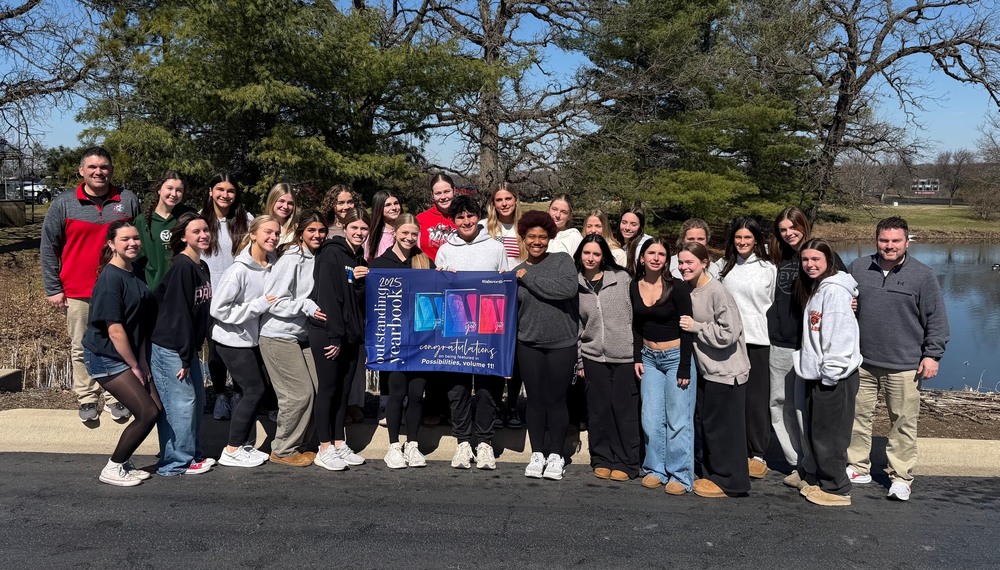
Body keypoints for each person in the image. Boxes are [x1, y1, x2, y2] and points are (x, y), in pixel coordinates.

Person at [847, 217, 949, 501]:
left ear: (907, 242)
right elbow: (840, 303)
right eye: (883, 240)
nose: (889, 246)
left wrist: (932, 355)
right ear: (876, 240)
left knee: (903, 422)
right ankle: (857, 467)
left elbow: (937, 320)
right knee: (857, 418)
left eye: (895, 241)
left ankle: (901, 477)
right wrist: (849, 302)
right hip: (862, 362)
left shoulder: (922, 275)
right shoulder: (857, 268)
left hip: (905, 365)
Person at [41, 147, 141, 423]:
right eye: (93, 167)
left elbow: (137, 242)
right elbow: (49, 247)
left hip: (119, 289)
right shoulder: (64, 203)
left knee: (119, 342)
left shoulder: (128, 200)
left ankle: (115, 397)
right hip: (77, 290)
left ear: (112, 170)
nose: (100, 172)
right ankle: (86, 397)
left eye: (105, 167)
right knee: (81, 346)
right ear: (82, 171)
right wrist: (53, 288)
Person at [767, 206, 846, 488]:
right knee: (780, 405)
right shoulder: (777, 259)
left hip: (809, 346)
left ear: (804, 225)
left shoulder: (822, 256)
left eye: (793, 228)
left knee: (803, 409)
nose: (788, 234)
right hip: (779, 343)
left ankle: (811, 465)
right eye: (783, 229)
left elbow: (844, 291)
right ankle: (796, 463)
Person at [435, 194, 509, 470]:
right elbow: (437, 290)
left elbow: (505, 286)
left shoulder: (494, 246)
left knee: (489, 388)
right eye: (460, 217)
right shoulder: (445, 250)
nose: (466, 221)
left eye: (470, 215)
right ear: (453, 221)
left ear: (478, 216)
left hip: (490, 327)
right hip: (456, 327)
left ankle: (486, 443)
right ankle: (463, 442)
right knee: (458, 389)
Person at [83, 220, 159, 486]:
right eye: (125, 239)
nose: (132, 243)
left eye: (136, 238)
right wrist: (134, 366)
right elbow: (115, 330)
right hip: (106, 357)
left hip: (127, 354)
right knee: (147, 412)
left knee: (155, 409)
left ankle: (124, 462)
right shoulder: (110, 279)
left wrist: (141, 359)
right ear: (111, 244)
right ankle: (112, 468)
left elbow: (137, 322)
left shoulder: (134, 270)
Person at [678, 242, 751, 498]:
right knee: (710, 426)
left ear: (704, 262)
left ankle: (731, 482)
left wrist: (697, 326)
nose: (684, 267)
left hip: (727, 371)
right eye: (681, 262)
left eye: (690, 262)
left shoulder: (717, 291)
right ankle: (714, 474)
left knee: (725, 429)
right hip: (707, 370)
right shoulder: (689, 289)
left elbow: (729, 333)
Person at [792, 239, 862, 507]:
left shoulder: (834, 292)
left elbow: (840, 336)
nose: (810, 265)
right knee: (817, 431)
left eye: (816, 260)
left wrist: (831, 373)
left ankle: (836, 488)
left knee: (830, 435)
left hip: (834, 376)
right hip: (817, 373)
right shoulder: (818, 288)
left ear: (829, 261)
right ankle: (821, 479)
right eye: (805, 260)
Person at [258, 211, 328, 467]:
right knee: (298, 394)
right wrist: (306, 306)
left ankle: (298, 444)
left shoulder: (318, 257)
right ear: (301, 232)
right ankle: (283, 449)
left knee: (319, 389)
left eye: (321, 231)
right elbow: (274, 301)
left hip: (301, 336)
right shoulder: (291, 259)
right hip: (277, 335)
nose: (317, 235)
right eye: (311, 231)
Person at [514, 210, 580, 480]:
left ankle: (556, 454)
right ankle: (537, 452)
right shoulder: (513, 272)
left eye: (542, 236)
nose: (537, 241)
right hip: (528, 342)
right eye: (532, 236)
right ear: (524, 238)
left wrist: (527, 278)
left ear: (550, 237)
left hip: (561, 342)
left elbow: (566, 289)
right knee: (535, 401)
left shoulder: (562, 261)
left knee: (556, 399)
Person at [209, 216, 280, 468]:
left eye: (276, 233)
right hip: (231, 340)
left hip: (252, 340)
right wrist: (258, 306)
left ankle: (245, 446)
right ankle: (231, 449)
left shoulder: (272, 264)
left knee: (247, 392)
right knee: (254, 390)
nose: (273, 237)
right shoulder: (238, 270)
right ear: (253, 235)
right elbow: (218, 309)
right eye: (267, 232)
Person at [149, 212, 215, 477]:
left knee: (196, 401)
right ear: (183, 236)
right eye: (196, 231)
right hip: (172, 347)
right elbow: (178, 316)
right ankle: (175, 462)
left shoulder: (201, 266)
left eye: (206, 230)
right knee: (180, 403)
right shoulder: (181, 267)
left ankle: (191, 454)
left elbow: (200, 313)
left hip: (187, 348)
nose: (203, 235)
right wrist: (185, 356)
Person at [631, 237, 696, 494]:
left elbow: (687, 328)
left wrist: (684, 366)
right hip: (649, 358)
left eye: (661, 254)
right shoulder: (634, 286)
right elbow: (636, 325)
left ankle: (680, 475)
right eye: (651, 253)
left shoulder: (677, 287)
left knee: (678, 419)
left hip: (676, 356)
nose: (656, 258)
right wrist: (637, 356)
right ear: (642, 258)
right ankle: (655, 468)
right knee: (650, 417)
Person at [370, 213, 434, 469]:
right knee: (396, 394)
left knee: (417, 395)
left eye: (414, 234)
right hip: (392, 338)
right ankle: (394, 445)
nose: (409, 238)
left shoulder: (424, 261)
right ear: (395, 232)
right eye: (404, 233)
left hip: (420, 339)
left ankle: (414, 445)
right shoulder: (378, 264)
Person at [309, 208, 370, 471]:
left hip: (349, 333)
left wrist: (357, 284)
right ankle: (323, 447)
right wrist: (334, 336)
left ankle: (337, 441)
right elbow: (329, 296)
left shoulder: (358, 256)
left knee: (344, 391)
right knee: (329, 389)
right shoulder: (331, 253)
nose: (359, 233)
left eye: (364, 229)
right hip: (329, 333)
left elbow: (353, 298)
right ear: (344, 228)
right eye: (354, 228)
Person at [575, 235, 640, 482]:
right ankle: (601, 458)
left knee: (624, 410)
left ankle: (627, 461)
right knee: (598, 410)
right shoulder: (576, 285)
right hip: (593, 357)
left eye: (596, 254)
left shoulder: (622, 279)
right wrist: (580, 360)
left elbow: (637, 316)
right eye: (586, 253)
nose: (591, 258)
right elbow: (577, 327)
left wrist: (637, 353)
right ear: (580, 254)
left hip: (624, 356)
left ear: (604, 256)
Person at [718, 217, 776, 480]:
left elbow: (773, 304)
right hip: (730, 341)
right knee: (734, 397)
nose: (742, 242)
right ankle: (736, 446)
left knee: (756, 400)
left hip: (758, 342)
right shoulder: (723, 267)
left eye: (747, 238)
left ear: (756, 240)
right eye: (738, 238)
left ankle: (758, 452)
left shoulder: (768, 268)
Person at [201, 172, 253, 421]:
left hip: (241, 297)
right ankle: (221, 394)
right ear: (211, 191)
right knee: (217, 350)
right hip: (210, 296)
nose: (225, 195)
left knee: (243, 348)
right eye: (219, 189)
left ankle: (239, 393)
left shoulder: (247, 220)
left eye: (230, 191)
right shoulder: (200, 220)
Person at [483, 183, 525, 428]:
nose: (504, 203)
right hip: (492, 297)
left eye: (508, 198)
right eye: (499, 200)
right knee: (495, 350)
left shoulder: (526, 226)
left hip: (519, 295)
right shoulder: (483, 227)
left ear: (516, 199)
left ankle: (512, 406)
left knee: (517, 352)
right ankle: (495, 405)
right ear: (493, 203)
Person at [134, 171, 193, 291]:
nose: (174, 194)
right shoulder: (142, 221)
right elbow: (136, 258)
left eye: (179, 190)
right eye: (169, 188)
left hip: (184, 286)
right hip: (155, 289)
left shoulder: (189, 216)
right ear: (159, 189)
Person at [416, 173, 458, 261]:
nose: (443, 197)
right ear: (432, 195)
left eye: (447, 191)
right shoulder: (420, 219)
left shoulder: (463, 217)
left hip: (457, 271)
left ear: (454, 190)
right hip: (429, 271)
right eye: (438, 193)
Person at [366, 190, 402, 262]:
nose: (394, 208)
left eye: (396, 203)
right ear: (379, 208)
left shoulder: (409, 230)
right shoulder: (371, 235)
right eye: (388, 205)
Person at [615, 206, 652, 275]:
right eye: (624, 222)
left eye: (633, 224)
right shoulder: (617, 242)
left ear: (640, 226)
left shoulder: (645, 246)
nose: (627, 227)